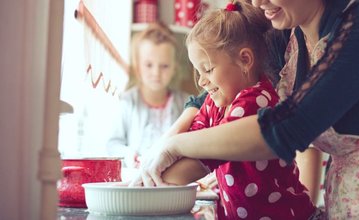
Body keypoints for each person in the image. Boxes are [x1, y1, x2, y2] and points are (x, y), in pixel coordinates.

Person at [142, 0, 359, 219]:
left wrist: (176, 144)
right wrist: (162, 148)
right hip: (355, 197)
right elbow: (211, 91)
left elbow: (287, 128)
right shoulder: (287, 34)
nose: (257, 2)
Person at [131, 1, 317, 219]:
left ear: (245, 60)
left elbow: (202, 159)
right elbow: (194, 134)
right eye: (198, 71)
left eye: (208, 69)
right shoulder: (216, 100)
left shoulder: (255, 101)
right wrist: (158, 157)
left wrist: (147, 180)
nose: (201, 81)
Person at [106, 22, 189, 168]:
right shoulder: (127, 101)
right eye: (149, 65)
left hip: (174, 178)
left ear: (174, 68)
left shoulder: (186, 104)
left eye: (164, 66)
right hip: (136, 177)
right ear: (138, 66)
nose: (156, 73)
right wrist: (128, 154)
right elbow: (113, 144)